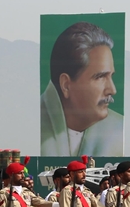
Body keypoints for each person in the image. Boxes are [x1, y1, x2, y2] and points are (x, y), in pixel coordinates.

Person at [40, 22, 124, 156]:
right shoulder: (34, 127)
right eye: (100, 76)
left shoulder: (119, 130)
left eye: (111, 76)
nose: (112, 90)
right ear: (66, 85)